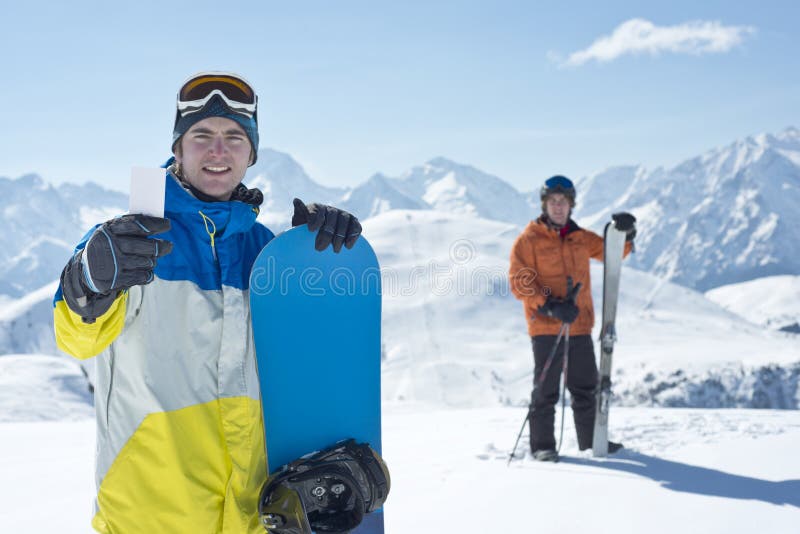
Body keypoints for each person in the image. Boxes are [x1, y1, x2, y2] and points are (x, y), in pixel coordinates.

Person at [53, 72, 363, 533]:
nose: (218, 151)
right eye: (202, 136)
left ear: (251, 154)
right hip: (150, 519)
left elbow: (307, 371)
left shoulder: (268, 253)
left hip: (255, 517)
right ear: (178, 148)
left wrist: (318, 258)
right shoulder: (127, 243)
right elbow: (76, 339)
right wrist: (88, 285)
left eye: (234, 138)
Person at [508, 175, 636, 462]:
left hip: (578, 324)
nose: (558, 207)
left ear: (571, 206)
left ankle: (592, 441)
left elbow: (613, 253)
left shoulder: (580, 238)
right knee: (546, 389)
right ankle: (542, 446)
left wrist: (627, 234)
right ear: (544, 204)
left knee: (585, 387)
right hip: (545, 325)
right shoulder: (528, 240)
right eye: (553, 202)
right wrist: (549, 306)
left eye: (563, 202)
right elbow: (519, 282)